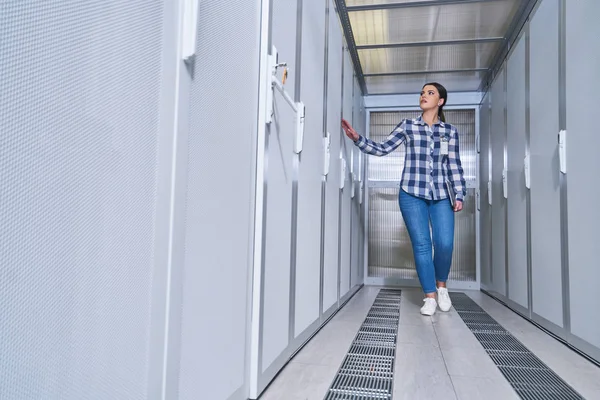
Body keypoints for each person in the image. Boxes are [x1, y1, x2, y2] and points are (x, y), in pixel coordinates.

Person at [341, 82, 466, 316]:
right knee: (422, 245)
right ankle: (429, 296)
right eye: (422, 92)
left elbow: (453, 165)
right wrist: (357, 138)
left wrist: (459, 193)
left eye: (430, 93)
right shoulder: (408, 126)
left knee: (445, 243)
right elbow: (382, 148)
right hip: (411, 194)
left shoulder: (450, 132)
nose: (423, 96)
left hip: (441, 195)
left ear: (440, 101)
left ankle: (441, 287)